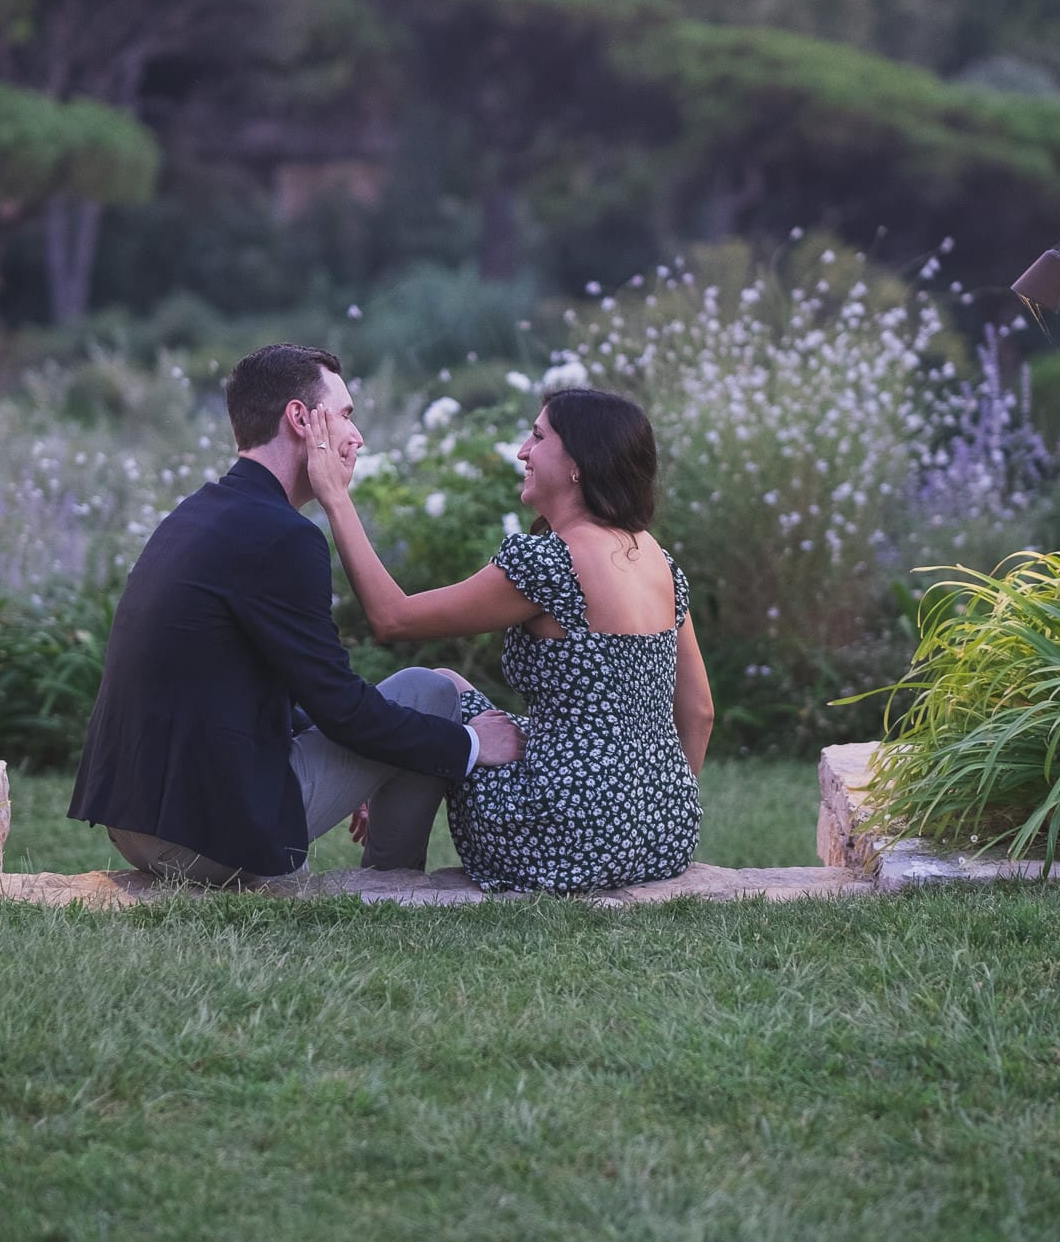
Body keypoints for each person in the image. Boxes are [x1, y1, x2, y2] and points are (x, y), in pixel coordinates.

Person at [69, 344, 523, 885]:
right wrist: (471, 745)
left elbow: (285, 691)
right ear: (301, 419)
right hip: (200, 838)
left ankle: (387, 870)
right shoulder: (282, 537)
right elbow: (342, 709)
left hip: (139, 824)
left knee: (406, 707)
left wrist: (372, 759)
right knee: (433, 692)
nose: (358, 438)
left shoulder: (200, 514)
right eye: (347, 416)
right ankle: (390, 881)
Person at [303, 384, 714, 894]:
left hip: (559, 830)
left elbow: (392, 619)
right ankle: (386, 857)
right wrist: (650, 803)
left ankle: (385, 875)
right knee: (445, 682)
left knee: (435, 710)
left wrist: (335, 498)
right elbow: (698, 713)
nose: (522, 451)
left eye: (538, 436)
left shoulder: (547, 563)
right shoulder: (661, 563)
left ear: (578, 464)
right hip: (664, 832)